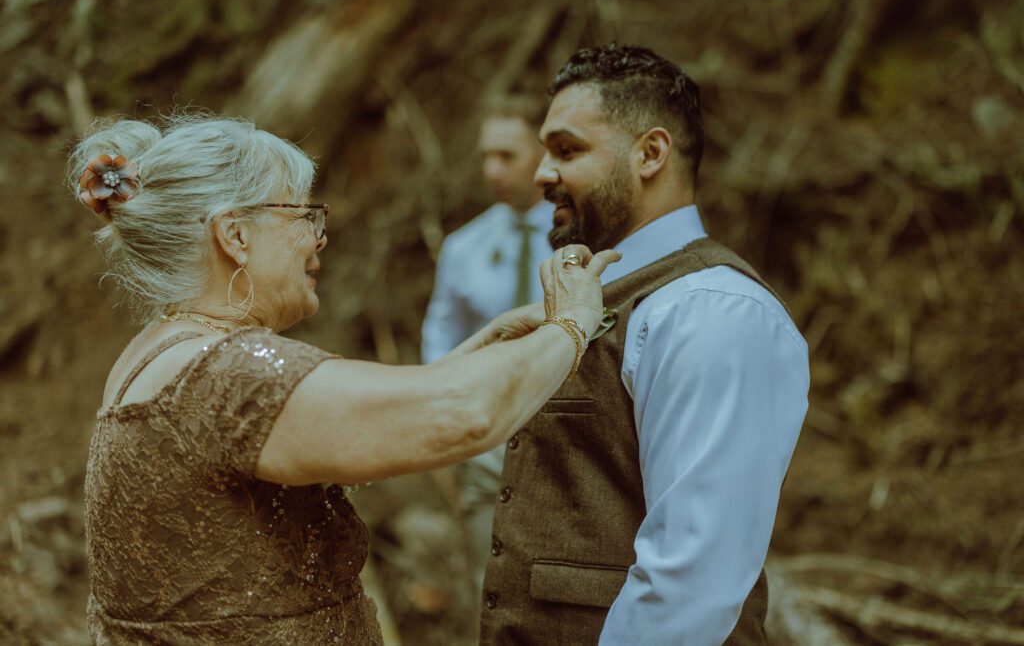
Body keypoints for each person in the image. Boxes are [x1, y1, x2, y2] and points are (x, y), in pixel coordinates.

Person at [71, 114, 618, 644]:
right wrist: (571, 324)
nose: (319, 237)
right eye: (303, 215)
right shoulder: (229, 371)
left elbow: (384, 413)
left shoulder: (163, 352)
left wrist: (479, 353)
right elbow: (463, 415)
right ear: (235, 235)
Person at [480, 45, 810, 645]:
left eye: (567, 149)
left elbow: (690, 577)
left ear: (650, 153)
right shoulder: (600, 295)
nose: (540, 173)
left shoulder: (712, 312)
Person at [420, 93, 552, 593]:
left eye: (507, 156)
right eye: (484, 156)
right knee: (488, 585)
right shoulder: (465, 247)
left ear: (544, 153)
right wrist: (449, 408)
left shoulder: (585, 243)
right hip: (486, 441)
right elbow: (441, 333)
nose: (492, 169)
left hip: (565, 437)